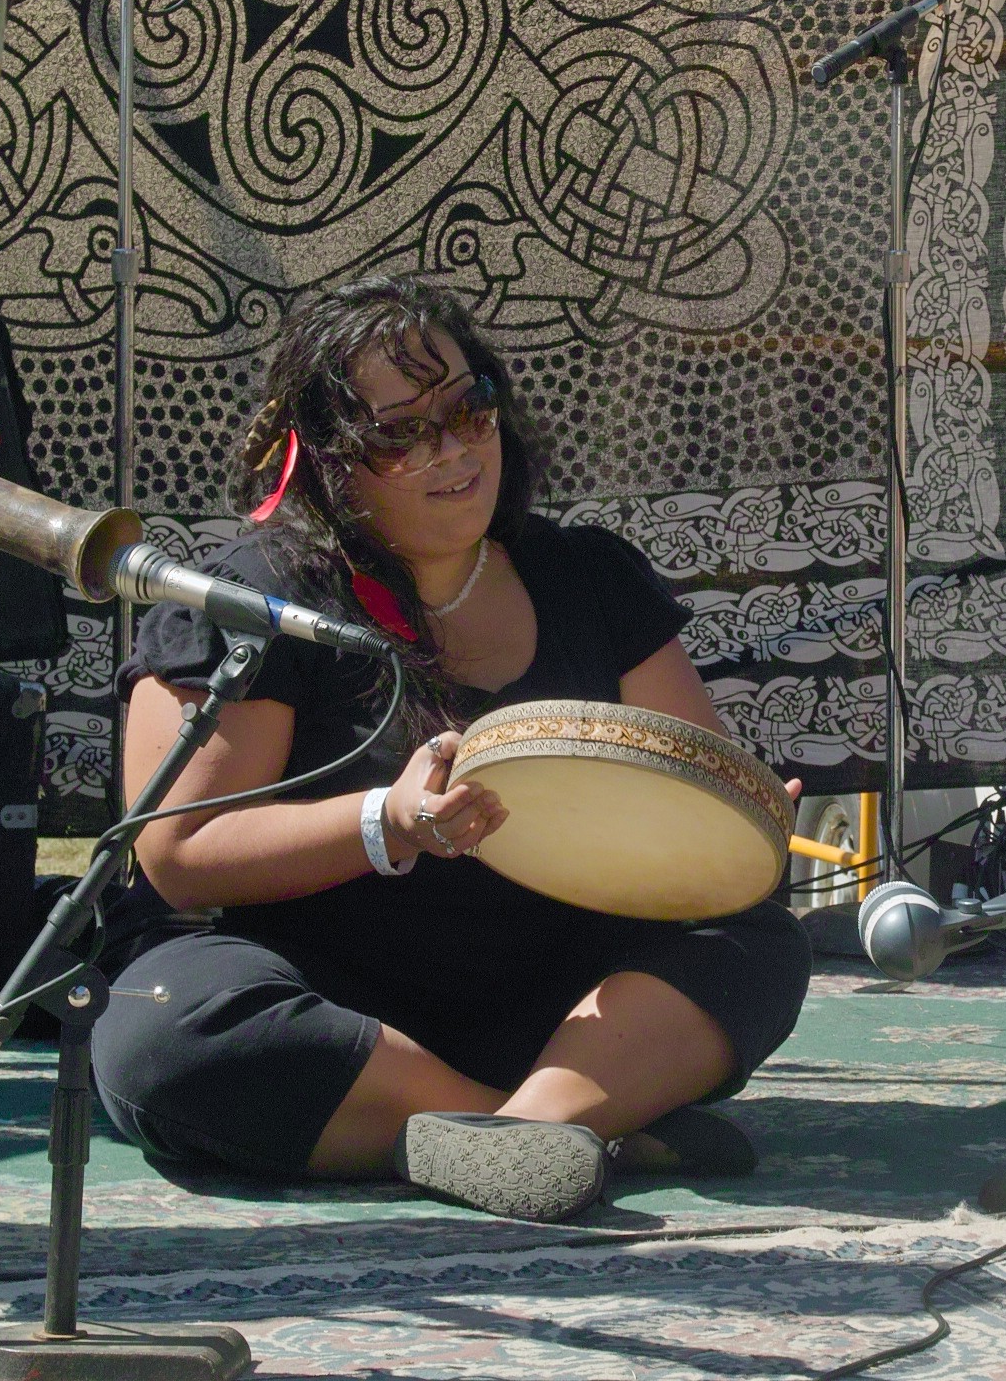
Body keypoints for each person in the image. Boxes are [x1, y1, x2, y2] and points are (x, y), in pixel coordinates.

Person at [91, 275, 811, 1222]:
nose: (455, 448)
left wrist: (733, 825)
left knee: (754, 940)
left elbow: (687, 776)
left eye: (471, 408)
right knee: (169, 1036)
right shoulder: (251, 601)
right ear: (327, 462)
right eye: (402, 433)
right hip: (322, 992)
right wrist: (385, 825)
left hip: (546, 991)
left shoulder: (586, 576)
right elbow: (177, 854)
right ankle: (564, 1127)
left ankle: (515, 1132)